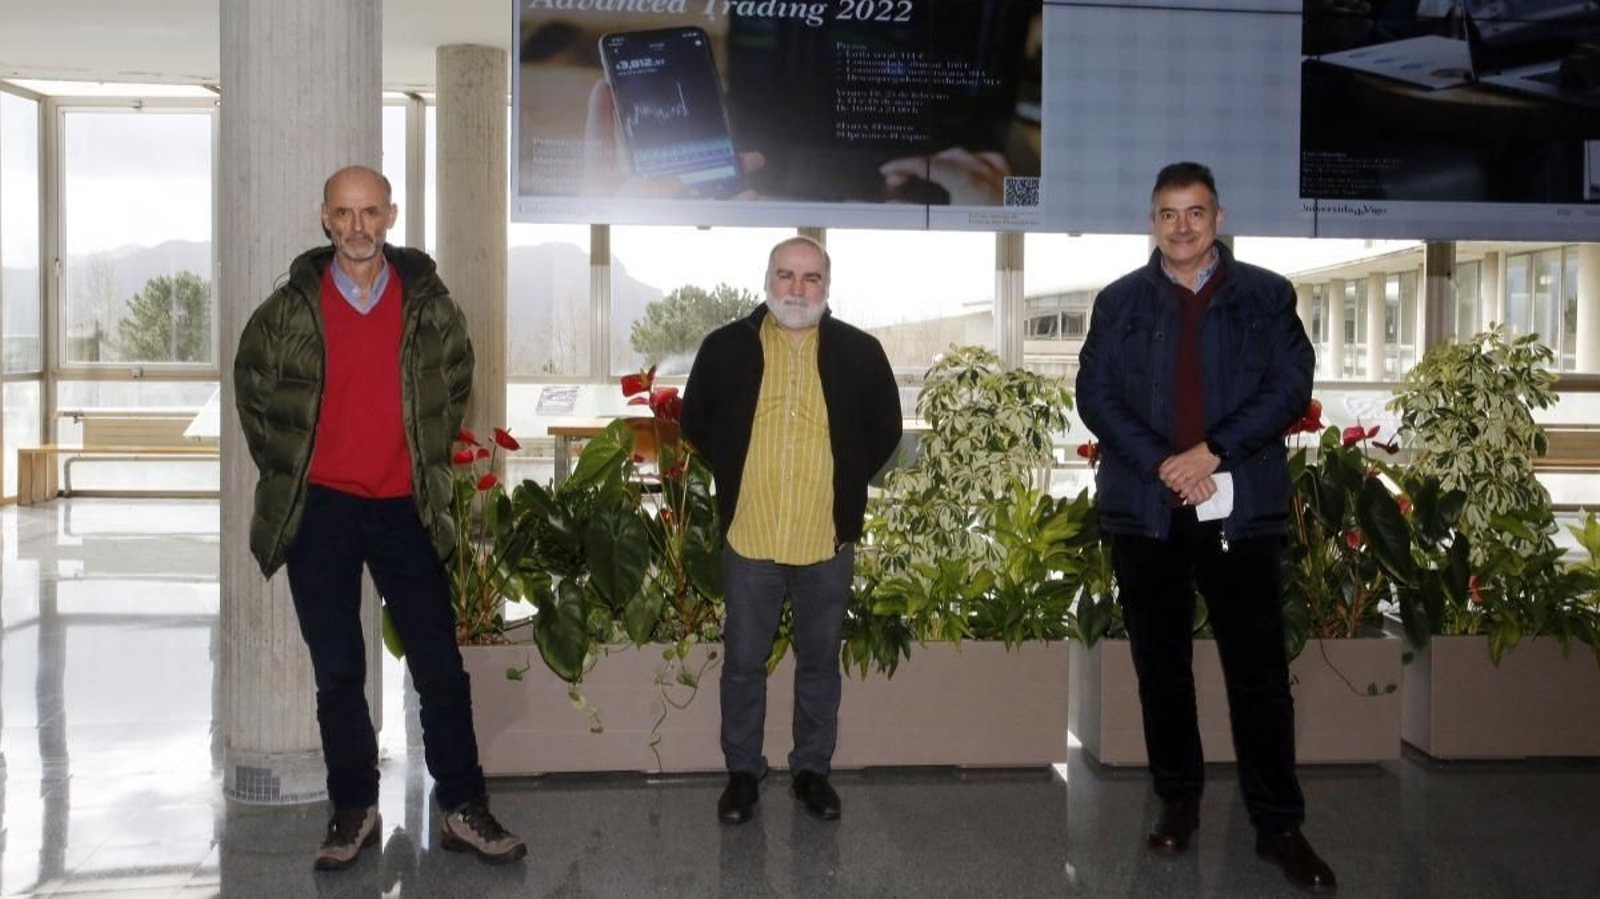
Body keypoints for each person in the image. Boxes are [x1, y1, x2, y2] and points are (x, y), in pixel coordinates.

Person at [233, 165, 525, 870]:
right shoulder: (288, 311)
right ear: (326, 219)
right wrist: (293, 464)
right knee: (338, 671)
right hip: (323, 509)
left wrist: (422, 452)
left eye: (370, 211)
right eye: (344, 212)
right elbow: (253, 389)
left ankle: (463, 806)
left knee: (440, 666)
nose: (358, 225)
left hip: (404, 505)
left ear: (391, 215)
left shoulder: (427, 301)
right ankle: (352, 808)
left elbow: (458, 376)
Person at [1075, 162, 1337, 892]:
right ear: (1151, 222)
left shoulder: (1266, 295)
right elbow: (1094, 394)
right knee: (1161, 669)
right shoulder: (1120, 301)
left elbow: (1290, 385)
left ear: (1217, 217)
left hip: (1240, 508)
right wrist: (1166, 463)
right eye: (1167, 213)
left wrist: (1210, 451)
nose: (1181, 226)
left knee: (1257, 675)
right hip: (1147, 508)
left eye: (1194, 212)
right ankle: (1178, 800)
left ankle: (1278, 824)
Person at [680, 236, 902, 825]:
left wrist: (846, 477)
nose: (796, 289)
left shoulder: (860, 352)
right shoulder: (726, 348)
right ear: (767, 280)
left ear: (827, 286)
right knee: (743, 663)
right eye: (786, 276)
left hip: (824, 539)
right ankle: (742, 775)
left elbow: (885, 429)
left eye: (810, 278)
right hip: (750, 536)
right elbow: (696, 420)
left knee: (820, 663)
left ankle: (811, 773)